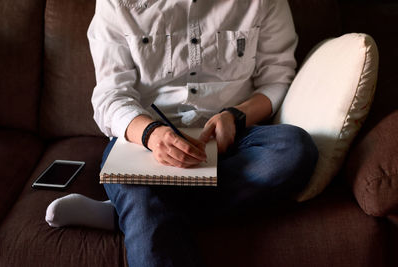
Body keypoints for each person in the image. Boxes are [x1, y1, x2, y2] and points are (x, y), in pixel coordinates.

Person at [45, 0, 319, 266]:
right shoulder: (116, 3)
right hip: (147, 145)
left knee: (295, 149)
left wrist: (237, 116)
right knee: (136, 185)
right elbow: (111, 96)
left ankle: (127, 213)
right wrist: (152, 134)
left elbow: (277, 78)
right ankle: (139, 208)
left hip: (233, 140)